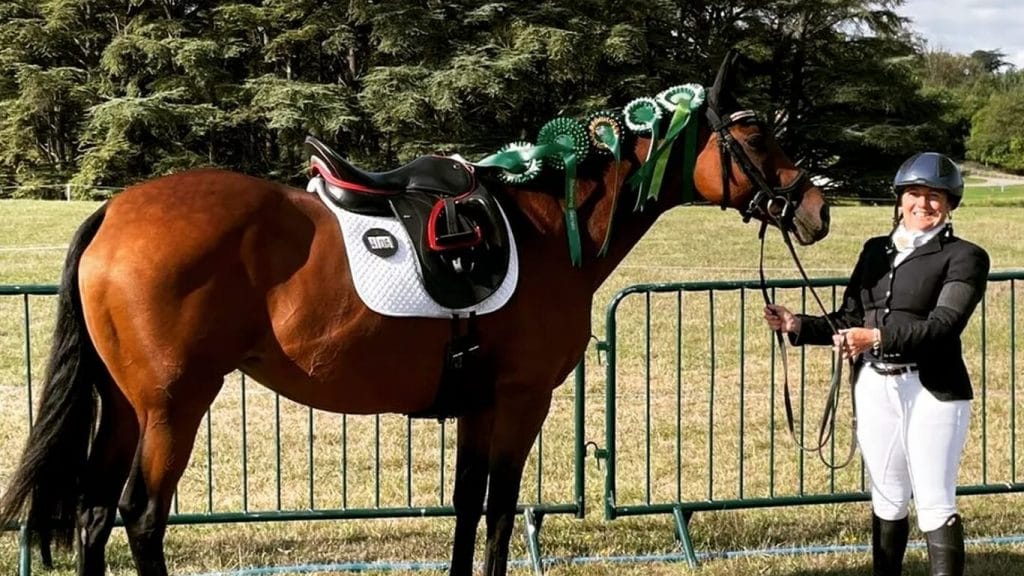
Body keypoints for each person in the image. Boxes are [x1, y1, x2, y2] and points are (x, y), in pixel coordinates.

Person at [763, 152, 990, 576]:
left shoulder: (966, 257)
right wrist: (798, 324)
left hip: (933, 392)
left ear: (951, 203)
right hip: (874, 387)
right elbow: (851, 318)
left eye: (935, 196)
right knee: (886, 496)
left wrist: (878, 338)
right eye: (915, 194)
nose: (923, 204)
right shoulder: (874, 252)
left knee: (934, 500)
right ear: (900, 199)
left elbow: (944, 325)